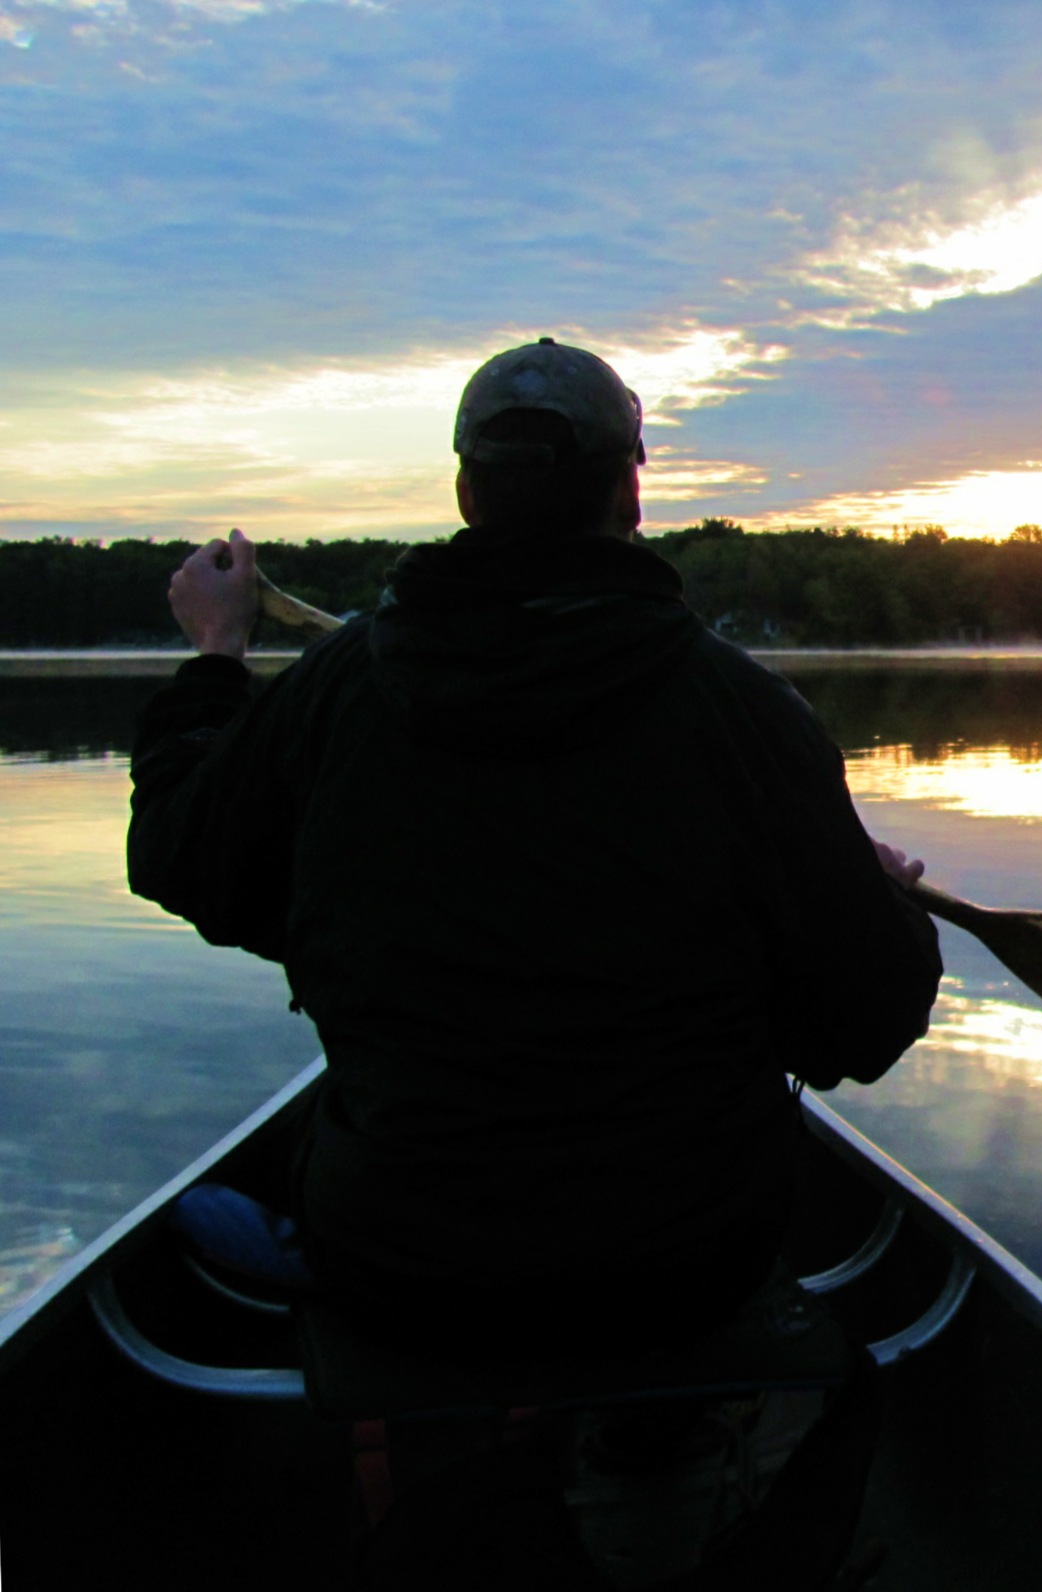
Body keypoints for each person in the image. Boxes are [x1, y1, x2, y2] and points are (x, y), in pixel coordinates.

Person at [127, 340, 942, 1565]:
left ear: (467, 492)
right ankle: (657, 1467)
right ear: (630, 488)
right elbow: (863, 1024)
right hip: (687, 1261)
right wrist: (875, 908)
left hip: (405, 1254)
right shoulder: (745, 713)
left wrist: (213, 661)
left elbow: (189, 862)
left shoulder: (340, 690)